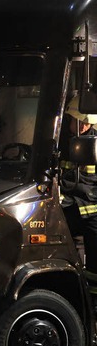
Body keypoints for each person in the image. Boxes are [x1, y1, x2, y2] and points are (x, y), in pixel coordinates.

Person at [59, 94, 97, 290]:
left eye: (85, 122)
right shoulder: (58, 142)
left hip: (92, 208)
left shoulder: (95, 142)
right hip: (67, 203)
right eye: (78, 121)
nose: (82, 126)